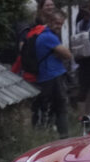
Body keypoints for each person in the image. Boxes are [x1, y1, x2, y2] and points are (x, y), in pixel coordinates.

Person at [35, 10, 74, 138]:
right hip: (52, 75)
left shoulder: (45, 35)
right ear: (50, 22)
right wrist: (61, 53)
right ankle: (64, 135)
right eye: (57, 23)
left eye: (61, 24)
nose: (59, 26)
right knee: (60, 106)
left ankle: (50, 133)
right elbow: (68, 54)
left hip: (49, 75)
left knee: (51, 107)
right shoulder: (48, 37)